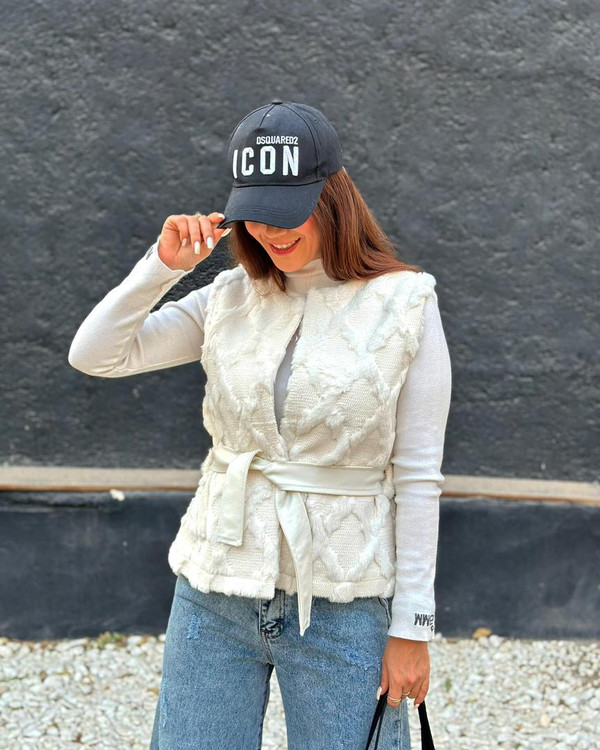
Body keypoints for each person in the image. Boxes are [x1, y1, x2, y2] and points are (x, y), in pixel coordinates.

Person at [68, 100, 452, 750]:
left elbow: (417, 475)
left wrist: (412, 627)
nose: (271, 230)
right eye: (256, 210)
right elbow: (95, 354)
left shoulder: (405, 304)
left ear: (332, 197)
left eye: (289, 208)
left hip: (344, 598)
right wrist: (162, 266)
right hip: (215, 586)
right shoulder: (228, 297)